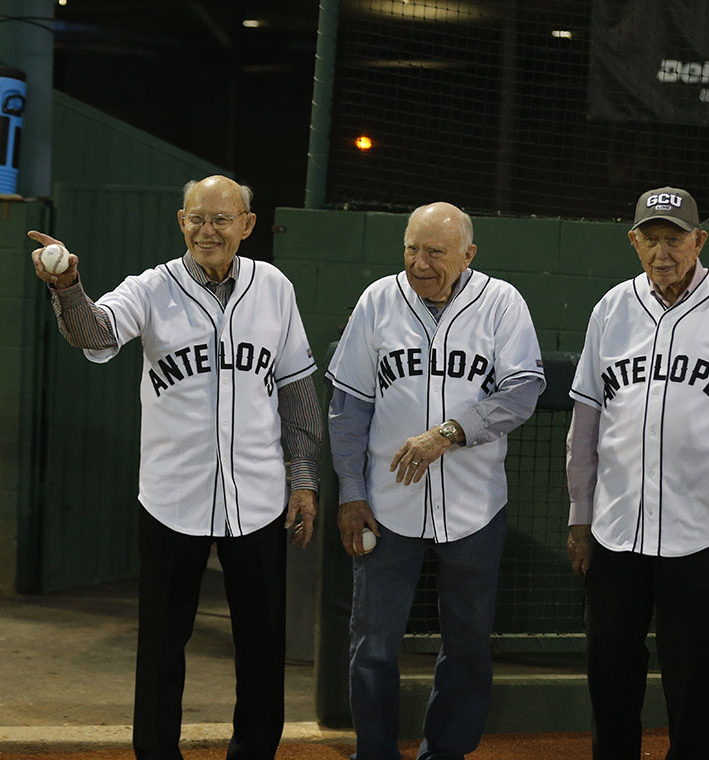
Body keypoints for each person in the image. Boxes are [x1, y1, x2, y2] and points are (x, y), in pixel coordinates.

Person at [27, 174, 323, 760]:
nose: (207, 230)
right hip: (171, 500)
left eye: (220, 218)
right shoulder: (151, 288)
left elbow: (296, 391)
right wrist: (67, 286)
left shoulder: (274, 288)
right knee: (162, 646)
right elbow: (95, 331)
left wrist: (305, 480)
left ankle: (254, 753)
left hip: (259, 497)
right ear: (180, 222)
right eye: (196, 218)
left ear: (247, 225)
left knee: (262, 646)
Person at [566, 186, 709, 759]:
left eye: (674, 238)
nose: (662, 252)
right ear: (633, 241)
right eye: (651, 238)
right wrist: (579, 517)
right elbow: (585, 424)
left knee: (694, 684)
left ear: (699, 240)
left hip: (706, 528)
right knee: (609, 674)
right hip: (615, 528)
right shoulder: (611, 309)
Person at [326, 201, 545, 760]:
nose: (419, 264)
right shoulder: (378, 300)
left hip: (475, 506)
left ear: (468, 254)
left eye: (435, 253)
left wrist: (448, 433)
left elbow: (522, 391)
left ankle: (444, 752)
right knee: (373, 644)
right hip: (388, 503)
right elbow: (348, 407)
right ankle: (374, 752)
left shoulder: (500, 303)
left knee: (468, 644)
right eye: (411, 249)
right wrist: (351, 493)